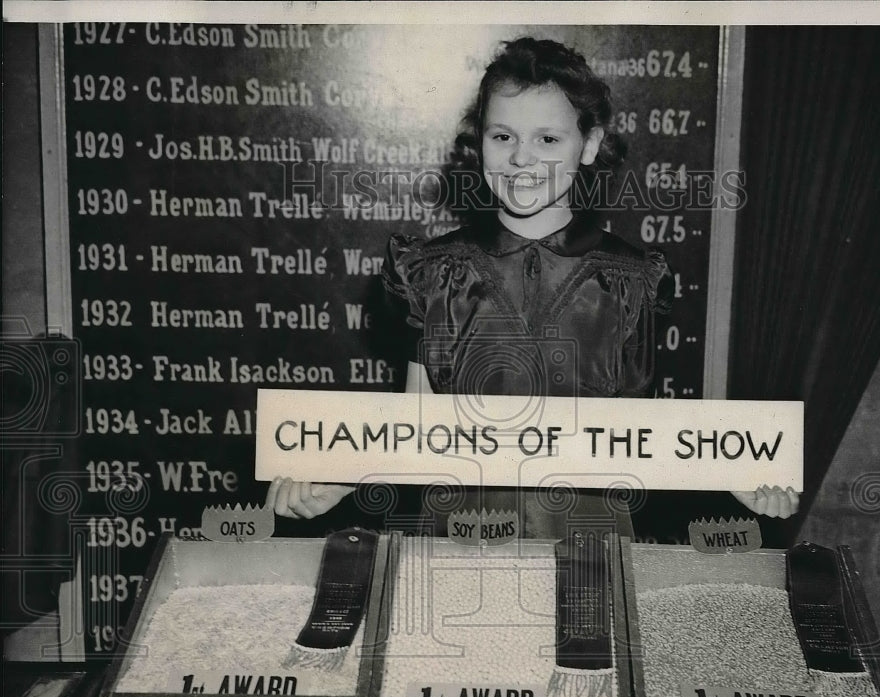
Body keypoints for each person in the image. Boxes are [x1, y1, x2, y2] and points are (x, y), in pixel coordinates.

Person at [267, 37, 798, 538]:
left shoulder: (630, 279)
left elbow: (642, 433)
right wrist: (337, 477)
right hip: (458, 534)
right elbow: (414, 423)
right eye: (503, 137)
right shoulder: (430, 273)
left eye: (548, 139)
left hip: (588, 538)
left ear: (588, 145)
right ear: (480, 144)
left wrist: (736, 471)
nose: (523, 159)